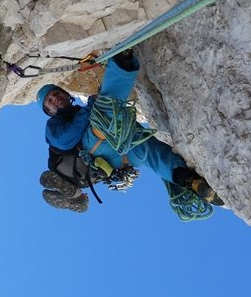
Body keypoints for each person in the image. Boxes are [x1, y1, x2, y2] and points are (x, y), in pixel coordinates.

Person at [36, 50, 222, 218]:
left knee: (152, 151)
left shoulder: (77, 113)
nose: (56, 99)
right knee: (106, 110)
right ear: (50, 112)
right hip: (96, 150)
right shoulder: (53, 126)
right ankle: (122, 59)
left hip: (119, 160)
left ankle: (188, 179)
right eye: (50, 101)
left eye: (56, 93)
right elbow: (65, 139)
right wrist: (92, 107)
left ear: (66, 95)